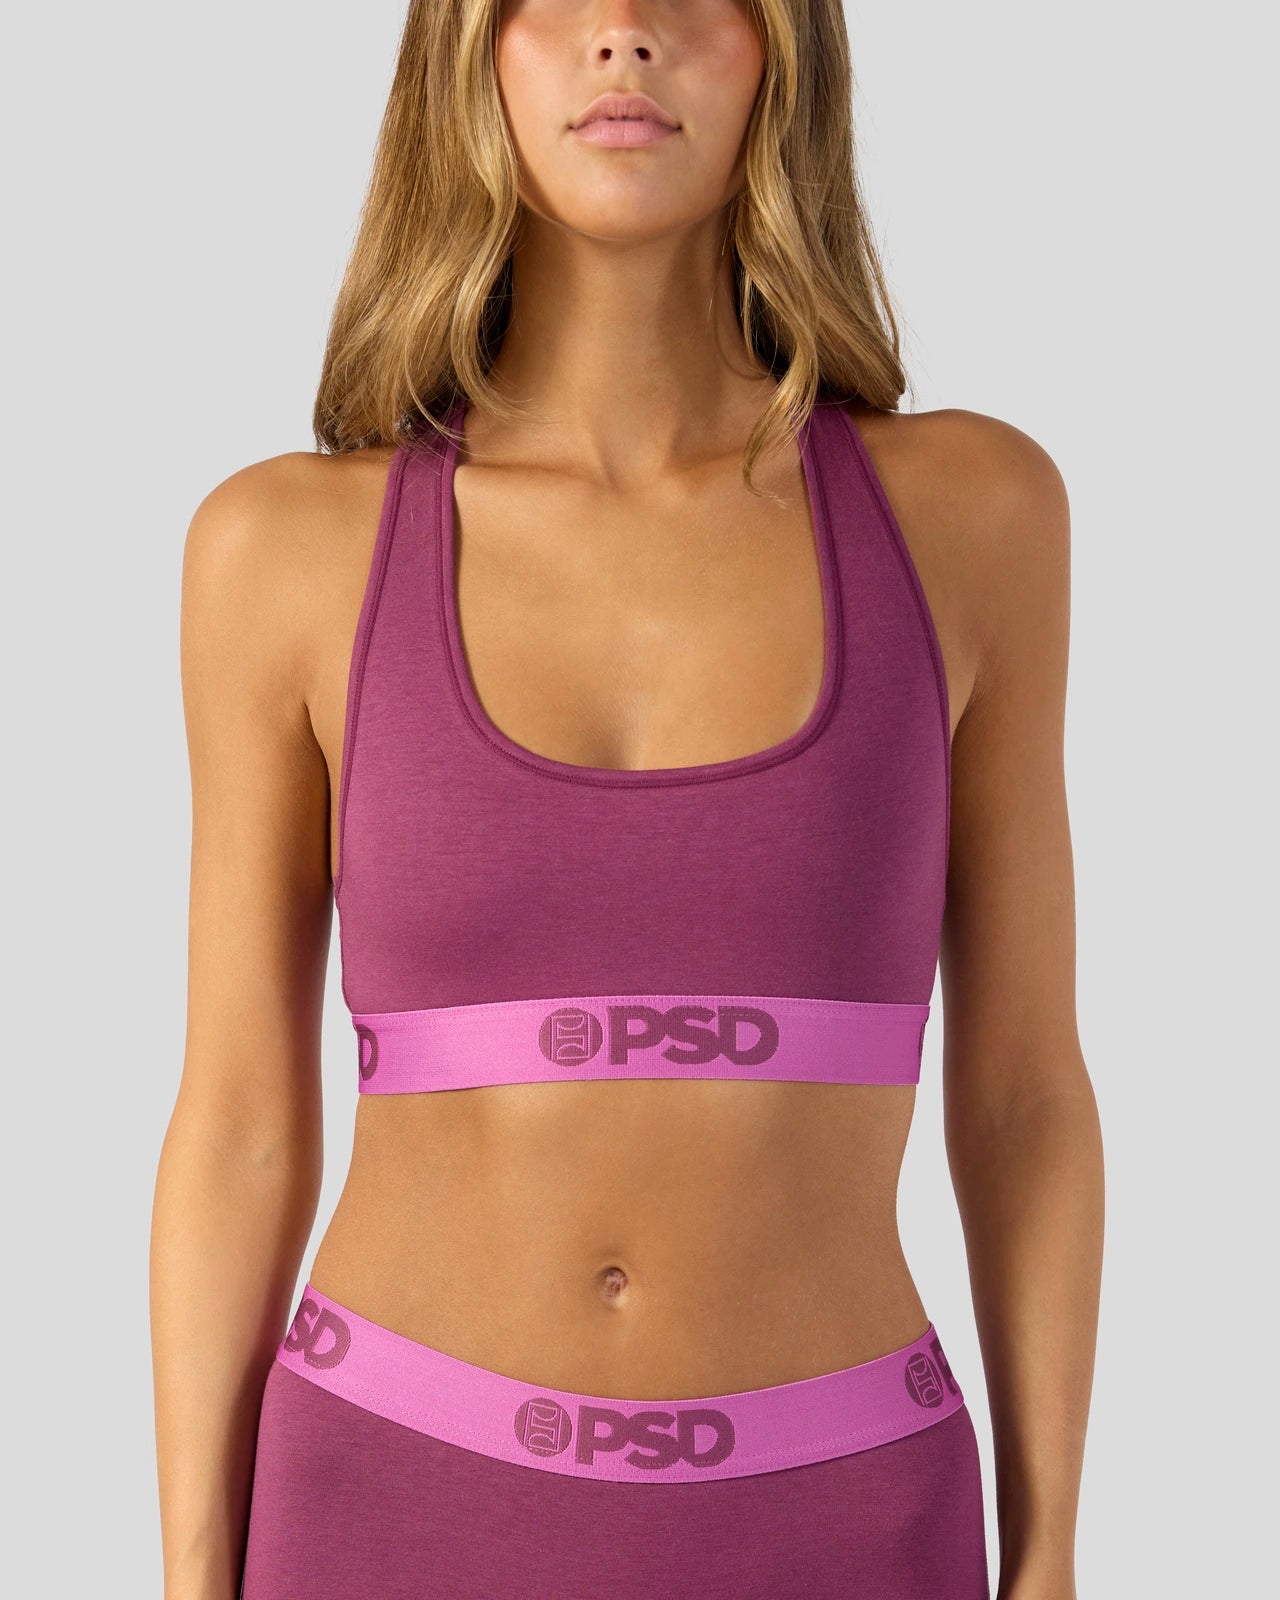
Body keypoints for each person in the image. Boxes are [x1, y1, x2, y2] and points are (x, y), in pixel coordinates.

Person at [150, 3, 1104, 1596]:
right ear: (470, 49)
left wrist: (1053, 1550)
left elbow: (1022, 1096)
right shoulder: (281, 551)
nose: (625, 36)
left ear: (785, 50)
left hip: (845, 1524)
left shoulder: (976, 518)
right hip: (387, 1505)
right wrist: (190, 1577)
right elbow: (240, 1122)